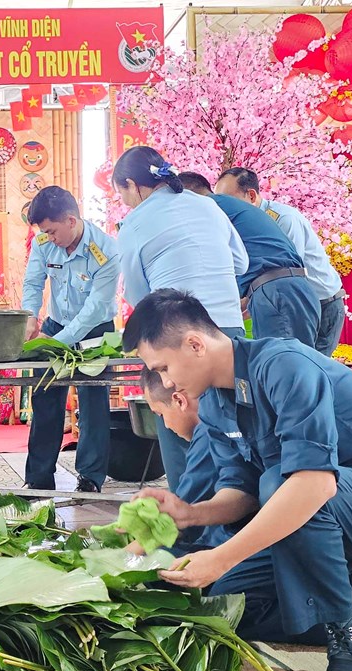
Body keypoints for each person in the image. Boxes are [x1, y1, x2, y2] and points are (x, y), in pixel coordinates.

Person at [123, 288, 352, 671]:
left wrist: (221, 557)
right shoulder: (218, 402)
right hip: (319, 510)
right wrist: (190, 513)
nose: (166, 382)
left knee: (282, 483)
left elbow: (314, 483)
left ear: (195, 344)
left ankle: (349, 642)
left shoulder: (283, 366)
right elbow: (241, 493)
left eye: (164, 367)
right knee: (228, 601)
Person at [139, 366, 352, 650]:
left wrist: (212, 556)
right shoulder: (220, 411)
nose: (164, 424)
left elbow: (304, 487)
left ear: (179, 398)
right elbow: (235, 493)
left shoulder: (278, 373)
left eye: (158, 413)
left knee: (226, 601)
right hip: (294, 520)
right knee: (211, 589)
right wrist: (190, 517)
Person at [112, 146, 248, 492]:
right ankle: (242, 507)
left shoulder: (134, 222)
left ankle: (187, 512)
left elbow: (138, 295)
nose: (125, 201)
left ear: (133, 185)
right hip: (227, 330)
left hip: (175, 334)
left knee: (176, 415)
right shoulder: (207, 204)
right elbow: (241, 264)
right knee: (235, 424)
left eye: (122, 193)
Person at [21, 186, 119, 493]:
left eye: (52, 231)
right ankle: (38, 478)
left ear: (71, 220)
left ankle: (90, 477)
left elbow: (93, 311)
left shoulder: (106, 252)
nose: (49, 238)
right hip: (56, 324)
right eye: (44, 232)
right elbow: (33, 282)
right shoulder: (43, 243)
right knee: (45, 399)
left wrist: (56, 342)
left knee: (93, 404)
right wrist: (29, 317)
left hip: (95, 331)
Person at [177, 172, 320, 347]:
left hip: (277, 292)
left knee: (284, 366)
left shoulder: (207, 208)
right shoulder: (233, 207)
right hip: (290, 289)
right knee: (297, 365)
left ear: (186, 195)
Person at [215, 167, 346, 356]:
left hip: (322, 303)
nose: (222, 206)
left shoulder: (283, 219)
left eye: (227, 199)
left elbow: (288, 271)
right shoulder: (246, 224)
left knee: (307, 365)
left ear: (251, 196)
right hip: (297, 302)